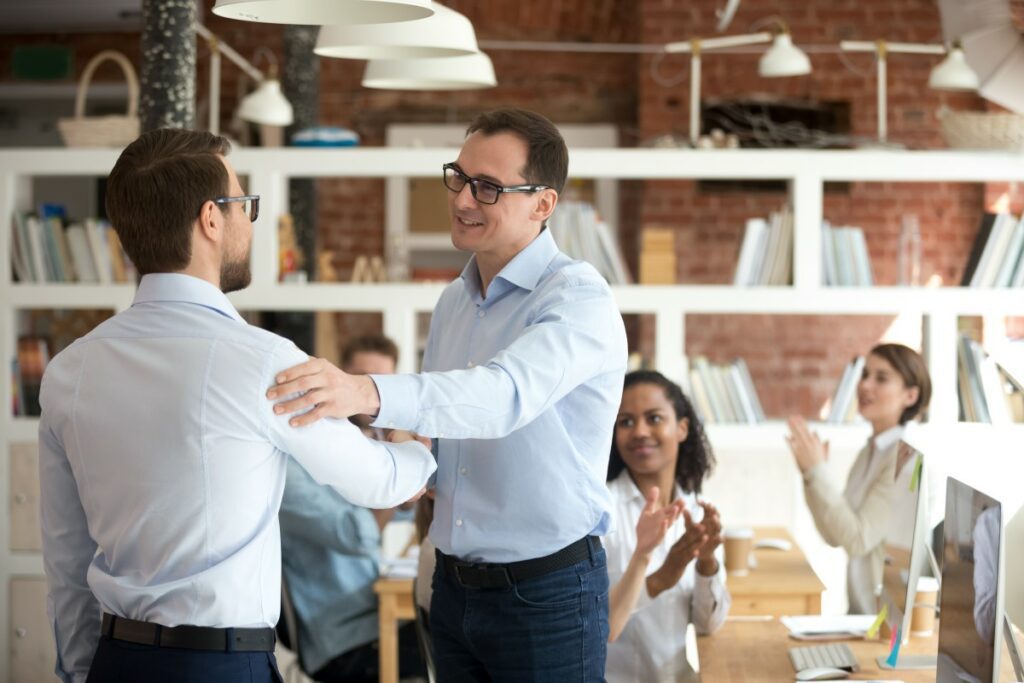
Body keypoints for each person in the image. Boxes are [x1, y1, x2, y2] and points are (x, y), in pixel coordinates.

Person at [38, 128, 435, 683]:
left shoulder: (67, 372)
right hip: (221, 664)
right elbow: (379, 484)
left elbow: (65, 557)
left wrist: (83, 672)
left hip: (116, 660)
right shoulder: (262, 361)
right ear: (210, 219)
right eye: (245, 204)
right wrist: (421, 449)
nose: (250, 221)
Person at [267, 108, 628, 680]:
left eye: (487, 188)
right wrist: (405, 466)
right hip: (453, 587)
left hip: (546, 592)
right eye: (458, 177)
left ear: (543, 204)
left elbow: (501, 397)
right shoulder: (453, 302)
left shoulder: (578, 299)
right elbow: (445, 435)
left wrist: (363, 390)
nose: (462, 199)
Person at [279, 333, 424, 682]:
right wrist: (401, 472)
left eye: (379, 384)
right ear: (341, 378)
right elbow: (356, 532)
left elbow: (403, 512)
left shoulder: (359, 448)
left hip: (374, 616)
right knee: (459, 644)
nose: (367, 395)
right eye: (361, 380)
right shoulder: (292, 460)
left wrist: (402, 482)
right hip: (343, 638)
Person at [604, 370, 730, 682]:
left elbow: (707, 625)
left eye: (654, 418)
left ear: (682, 428)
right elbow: (596, 622)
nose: (640, 432)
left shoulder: (697, 515)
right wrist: (661, 576)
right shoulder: (600, 511)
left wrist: (707, 562)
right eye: (626, 422)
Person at [787, 343, 931, 614]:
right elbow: (834, 534)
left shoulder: (906, 458)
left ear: (910, 396)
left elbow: (857, 539)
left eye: (881, 378)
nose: (865, 385)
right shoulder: (872, 450)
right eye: (865, 374)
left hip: (882, 622)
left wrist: (817, 472)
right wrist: (810, 475)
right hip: (859, 613)